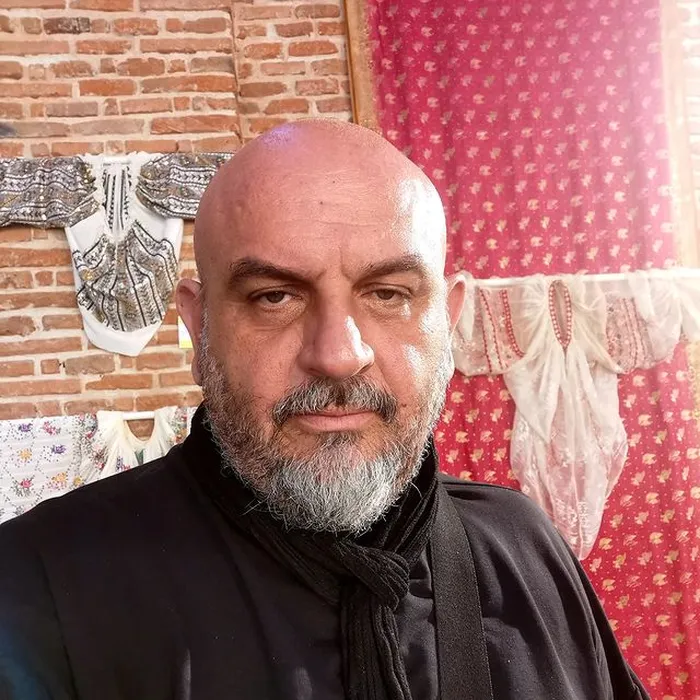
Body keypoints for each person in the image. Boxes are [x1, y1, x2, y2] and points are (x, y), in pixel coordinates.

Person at [0, 119, 648, 700]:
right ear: (199, 329)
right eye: (274, 297)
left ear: (447, 325)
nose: (339, 355)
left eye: (388, 294)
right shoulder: (41, 587)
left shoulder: (523, 548)